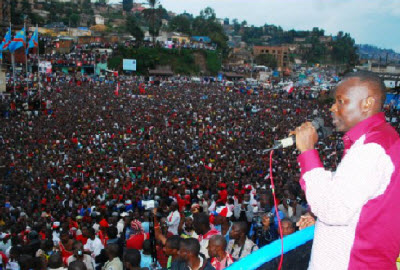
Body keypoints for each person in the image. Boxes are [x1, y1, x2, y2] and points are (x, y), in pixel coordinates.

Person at [295, 71, 400, 269]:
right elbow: (362, 197)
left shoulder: (372, 148)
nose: (333, 108)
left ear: (367, 103)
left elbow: (333, 209)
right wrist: (317, 215)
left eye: (341, 101)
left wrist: (308, 151)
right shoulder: (384, 138)